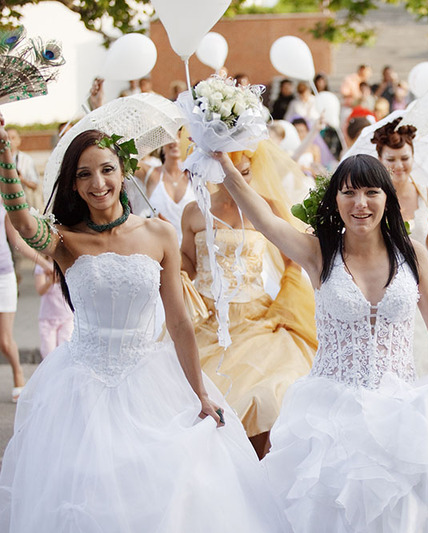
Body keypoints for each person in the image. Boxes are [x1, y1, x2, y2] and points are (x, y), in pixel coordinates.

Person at [218, 152, 428, 532]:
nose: (361, 204)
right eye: (349, 193)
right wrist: (224, 161)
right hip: (331, 410)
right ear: (335, 200)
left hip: (402, 403)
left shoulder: (411, 254)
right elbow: (265, 220)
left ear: (387, 198)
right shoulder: (319, 253)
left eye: (371, 192)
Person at [0, 124, 288, 532]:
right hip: (80, 387)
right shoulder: (64, 239)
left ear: (124, 172)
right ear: (73, 184)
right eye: (84, 174)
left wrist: (200, 393)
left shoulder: (159, 233)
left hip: (150, 381)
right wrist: (5, 162)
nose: (98, 183)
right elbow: (24, 224)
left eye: (106, 169)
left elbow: (179, 321)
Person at [180, 145, 317, 459]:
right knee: (196, 398)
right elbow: (187, 258)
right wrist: (181, 277)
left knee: (274, 389)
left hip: (256, 317)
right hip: (205, 319)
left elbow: (295, 259)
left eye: (243, 172)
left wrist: (286, 301)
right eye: (227, 172)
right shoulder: (195, 210)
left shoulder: (266, 207)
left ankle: (259, 468)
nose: (235, 179)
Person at [371, 118, 428, 376]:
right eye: (391, 160)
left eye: (404, 158)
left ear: (412, 156)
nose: (399, 166)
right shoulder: (374, 197)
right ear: (380, 159)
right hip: (391, 289)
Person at [0, 212, 47, 402]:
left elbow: (18, 243)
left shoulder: (3, 208)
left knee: (4, 341)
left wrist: (46, 264)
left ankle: (18, 374)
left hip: (3, 278)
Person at [145, 141, 194, 241]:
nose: (175, 142)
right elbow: (123, 160)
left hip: (190, 249)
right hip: (159, 246)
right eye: (170, 138)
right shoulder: (151, 174)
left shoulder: (197, 176)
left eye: (180, 137)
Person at [33, 258, 73, 358]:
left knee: (65, 351)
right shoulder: (42, 267)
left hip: (66, 317)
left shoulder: (67, 264)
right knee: (48, 352)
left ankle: (63, 373)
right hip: (47, 318)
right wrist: (50, 281)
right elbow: (40, 291)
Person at [6, 129, 42, 213]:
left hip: (23, 204)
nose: (10, 141)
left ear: (18, 141)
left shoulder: (26, 159)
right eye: (7, 138)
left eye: (13, 138)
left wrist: (22, 180)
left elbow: (35, 184)